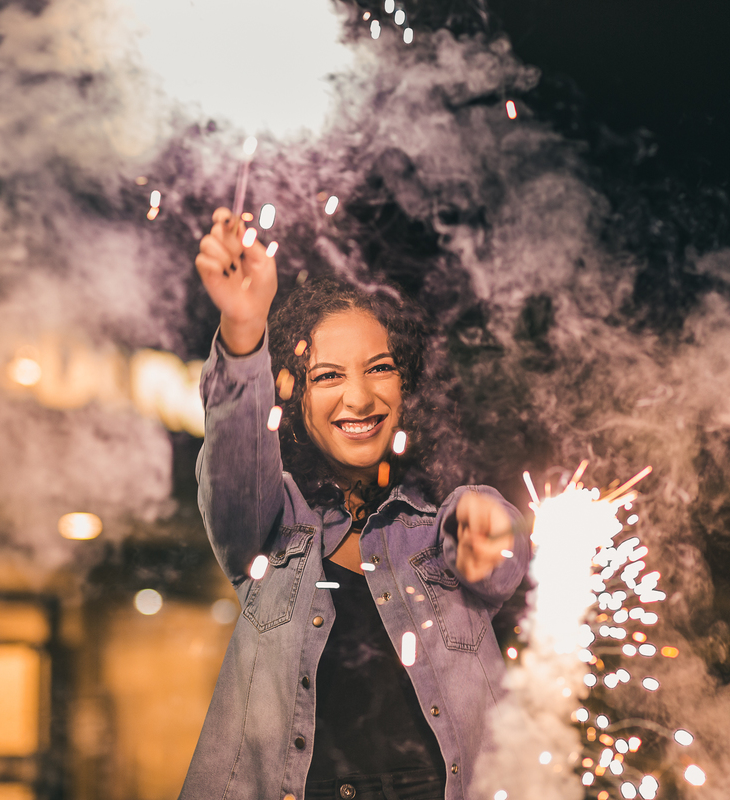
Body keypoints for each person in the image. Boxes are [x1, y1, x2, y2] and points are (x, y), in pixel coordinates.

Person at [178, 208, 531, 800]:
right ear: (292, 395)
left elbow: (497, 550)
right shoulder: (269, 530)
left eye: (380, 368)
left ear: (406, 383)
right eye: (328, 376)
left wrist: (488, 528)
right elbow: (234, 463)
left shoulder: (437, 531)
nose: (360, 397)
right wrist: (243, 330)